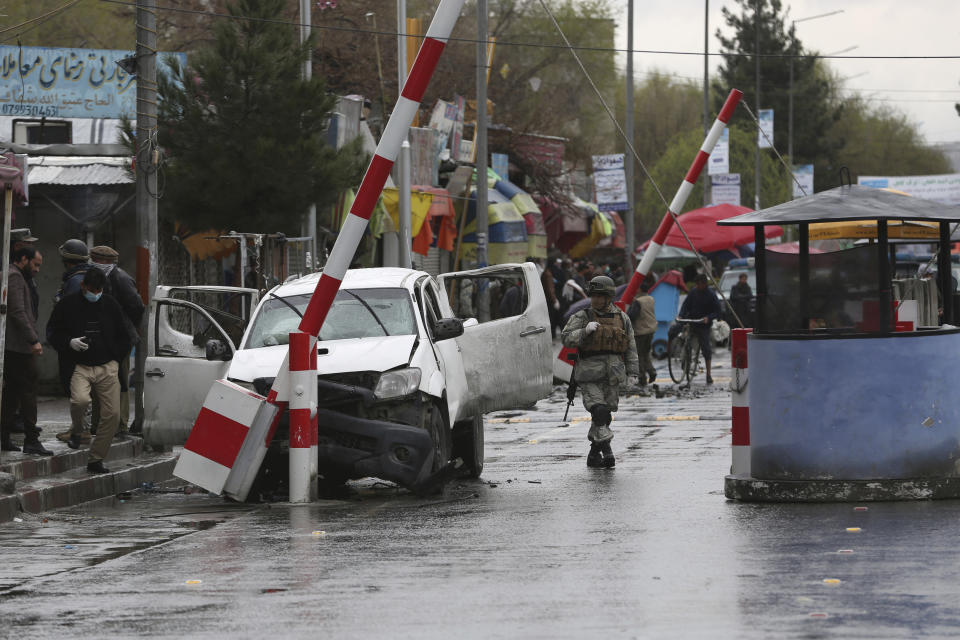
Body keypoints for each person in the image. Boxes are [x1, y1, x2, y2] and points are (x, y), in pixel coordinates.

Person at [47, 268, 131, 473]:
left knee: (112, 414)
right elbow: (52, 332)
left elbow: (125, 335)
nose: (96, 293)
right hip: (79, 366)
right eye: (92, 289)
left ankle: (96, 458)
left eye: (99, 289)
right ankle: (78, 430)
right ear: (83, 286)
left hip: (107, 366)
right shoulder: (66, 305)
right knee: (80, 401)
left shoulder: (110, 304)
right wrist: (69, 342)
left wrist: (115, 360)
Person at [562, 275, 639, 469]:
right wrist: (584, 332)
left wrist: (633, 373)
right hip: (589, 374)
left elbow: (630, 347)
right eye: (593, 296)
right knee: (599, 410)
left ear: (608, 297)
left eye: (599, 296)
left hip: (613, 374)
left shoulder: (622, 318)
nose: (594, 300)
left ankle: (594, 453)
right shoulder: (583, 316)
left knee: (606, 416)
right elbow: (566, 338)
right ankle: (608, 452)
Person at [1, 247, 52, 455]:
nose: (38, 269)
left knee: (12, 393)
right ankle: (31, 439)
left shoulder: (18, 276)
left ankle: (4, 437)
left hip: (16, 346)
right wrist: (33, 339)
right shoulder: (14, 276)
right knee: (28, 391)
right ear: (23, 259)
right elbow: (17, 311)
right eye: (35, 264)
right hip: (18, 347)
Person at [89, 245, 145, 435]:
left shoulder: (120, 278)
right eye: (93, 260)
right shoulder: (96, 277)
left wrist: (128, 325)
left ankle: (120, 424)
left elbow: (137, 306)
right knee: (98, 381)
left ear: (108, 262)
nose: (95, 263)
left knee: (120, 379)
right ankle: (99, 423)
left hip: (119, 339)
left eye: (98, 261)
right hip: (101, 338)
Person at [678, 273, 721, 384]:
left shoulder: (711, 294)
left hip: (703, 324)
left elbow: (717, 311)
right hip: (692, 321)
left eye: (700, 284)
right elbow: (685, 305)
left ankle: (708, 374)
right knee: (682, 336)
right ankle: (685, 360)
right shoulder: (693, 292)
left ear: (705, 284)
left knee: (706, 348)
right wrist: (681, 315)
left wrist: (709, 318)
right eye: (697, 284)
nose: (698, 286)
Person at [627, 276, 659, 386]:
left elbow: (632, 315)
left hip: (640, 331)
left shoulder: (638, 302)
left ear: (640, 289)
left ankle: (642, 378)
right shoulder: (651, 299)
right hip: (651, 330)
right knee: (646, 353)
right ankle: (652, 371)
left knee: (639, 355)